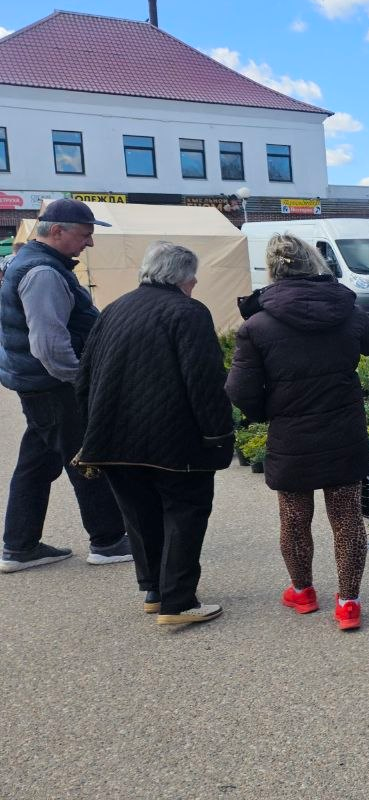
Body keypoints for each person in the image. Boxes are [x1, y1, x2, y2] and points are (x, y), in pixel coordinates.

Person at [226, 233, 369, 631]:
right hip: (343, 431)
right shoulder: (346, 309)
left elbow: (239, 389)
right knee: (347, 518)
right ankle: (348, 602)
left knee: (294, 518)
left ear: (273, 267)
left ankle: (303, 592)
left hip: (291, 434)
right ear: (315, 263)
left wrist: (270, 411)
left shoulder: (258, 323)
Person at [76, 242, 234, 625]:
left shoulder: (115, 308)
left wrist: (91, 430)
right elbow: (204, 380)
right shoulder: (188, 312)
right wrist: (218, 435)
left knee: (140, 513)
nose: (196, 281)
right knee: (185, 511)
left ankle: (154, 590)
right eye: (193, 274)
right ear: (182, 276)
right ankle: (178, 602)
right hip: (175, 441)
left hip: (112, 438)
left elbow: (84, 377)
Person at [0, 199, 130, 573]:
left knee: (36, 465)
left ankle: (20, 546)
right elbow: (48, 345)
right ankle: (107, 541)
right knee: (86, 460)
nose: (88, 244)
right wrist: (81, 381)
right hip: (56, 387)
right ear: (57, 231)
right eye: (85, 235)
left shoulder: (29, 264)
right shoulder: (43, 273)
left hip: (38, 385)